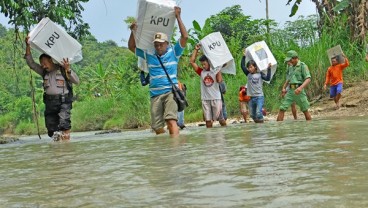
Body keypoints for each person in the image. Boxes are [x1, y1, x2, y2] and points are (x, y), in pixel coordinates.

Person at [128, 6, 188, 137]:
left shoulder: (174, 53)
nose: (158, 46)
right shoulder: (149, 55)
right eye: (156, 44)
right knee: (157, 127)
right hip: (155, 95)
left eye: (161, 44)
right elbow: (131, 47)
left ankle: (175, 148)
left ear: (167, 43)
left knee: (171, 120)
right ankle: (164, 149)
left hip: (170, 92)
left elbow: (185, 37)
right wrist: (133, 31)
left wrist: (178, 17)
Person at [24, 36, 80, 141]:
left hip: (64, 102)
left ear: (51, 60)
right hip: (50, 104)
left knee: (64, 124)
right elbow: (31, 63)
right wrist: (28, 46)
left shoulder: (63, 69)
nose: (43, 66)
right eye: (41, 64)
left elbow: (76, 81)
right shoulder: (43, 72)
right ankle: (57, 150)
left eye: (45, 63)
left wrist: (68, 70)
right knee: (51, 129)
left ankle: (67, 148)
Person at [190, 44, 226, 128]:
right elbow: (192, 62)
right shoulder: (201, 72)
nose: (203, 66)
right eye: (202, 64)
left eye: (204, 64)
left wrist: (219, 68)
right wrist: (196, 50)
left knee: (221, 120)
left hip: (216, 98)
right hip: (205, 99)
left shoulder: (215, 70)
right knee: (208, 121)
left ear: (209, 62)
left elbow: (219, 80)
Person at [277, 50, 312, 121]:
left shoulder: (303, 66)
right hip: (290, 91)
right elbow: (289, 79)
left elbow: (308, 79)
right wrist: (284, 88)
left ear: (295, 58)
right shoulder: (290, 67)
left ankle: (310, 126)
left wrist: (300, 88)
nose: (290, 62)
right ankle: (279, 128)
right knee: (282, 108)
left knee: (305, 110)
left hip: (299, 91)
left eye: (291, 60)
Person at [241, 51, 271, 123]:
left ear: (255, 67)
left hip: (259, 97)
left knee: (258, 113)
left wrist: (269, 69)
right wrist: (244, 57)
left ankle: (261, 129)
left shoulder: (260, 74)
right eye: (248, 67)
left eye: (251, 67)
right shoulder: (248, 74)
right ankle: (258, 126)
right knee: (252, 115)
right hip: (251, 98)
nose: (249, 69)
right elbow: (242, 66)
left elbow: (267, 78)